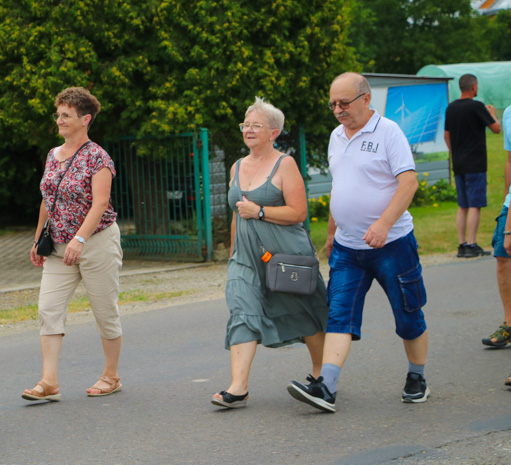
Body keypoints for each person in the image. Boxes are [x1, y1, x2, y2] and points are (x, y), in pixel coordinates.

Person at [287, 72, 430, 413]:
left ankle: (416, 376)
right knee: (339, 314)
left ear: (366, 99)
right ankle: (327, 388)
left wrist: (383, 224)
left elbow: (408, 184)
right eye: (333, 104)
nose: (338, 110)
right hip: (349, 249)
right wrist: (333, 232)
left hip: (392, 244)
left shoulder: (388, 133)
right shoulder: (337, 136)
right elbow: (342, 187)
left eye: (344, 103)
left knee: (408, 313)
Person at [210, 98, 327, 409]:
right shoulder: (237, 166)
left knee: (305, 313)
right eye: (245, 125)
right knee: (241, 311)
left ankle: (321, 376)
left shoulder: (284, 164)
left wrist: (259, 211)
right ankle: (238, 387)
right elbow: (237, 214)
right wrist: (235, 254)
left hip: (285, 255)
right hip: (246, 258)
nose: (248, 130)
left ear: (274, 132)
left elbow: (299, 213)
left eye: (255, 125)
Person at [22, 86, 123, 402]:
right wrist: (39, 238)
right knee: (47, 308)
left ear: (85, 119)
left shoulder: (98, 157)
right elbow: (47, 199)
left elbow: (100, 203)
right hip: (58, 245)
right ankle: (48, 381)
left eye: (66, 115)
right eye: (59, 114)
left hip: (96, 243)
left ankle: (111, 376)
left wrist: (80, 239)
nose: (60, 120)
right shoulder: (53, 155)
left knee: (105, 310)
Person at [444, 73, 501, 258]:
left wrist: (455, 154)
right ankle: (472, 243)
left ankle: (461, 245)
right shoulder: (477, 107)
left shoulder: (451, 108)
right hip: (475, 163)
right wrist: (491, 113)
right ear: (474, 87)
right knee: (475, 204)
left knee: (463, 205)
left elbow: (447, 135)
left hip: (459, 162)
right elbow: (496, 128)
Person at [485, 107, 511, 356]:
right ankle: (509, 323)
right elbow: (510, 159)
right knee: (503, 255)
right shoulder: (509, 113)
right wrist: (507, 200)